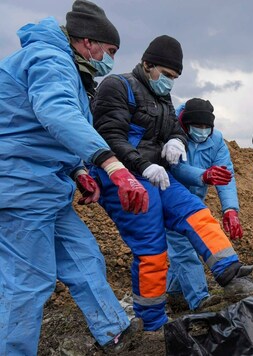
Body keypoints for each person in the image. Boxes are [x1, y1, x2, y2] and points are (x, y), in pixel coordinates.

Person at [0, 1, 148, 354]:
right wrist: (111, 165)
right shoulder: (50, 59)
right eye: (109, 51)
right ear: (88, 42)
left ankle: (113, 330)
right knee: (29, 281)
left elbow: (41, 130)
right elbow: (56, 113)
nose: (109, 59)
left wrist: (79, 170)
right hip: (19, 186)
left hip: (46, 186)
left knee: (83, 256)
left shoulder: (66, 67)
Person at [91, 35, 253, 332]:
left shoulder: (162, 98)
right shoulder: (116, 86)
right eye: (168, 75)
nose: (170, 82)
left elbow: (175, 128)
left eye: (175, 77)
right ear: (147, 65)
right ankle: (153, 323)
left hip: (157, 174)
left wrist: (175, 140)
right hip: (123, 176)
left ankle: (232, 276)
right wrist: (143, 165)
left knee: (197, 213)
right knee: (153, 250)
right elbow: (109, 136)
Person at [166, 98, 244, 311]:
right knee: (183, 249)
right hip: (171, 199)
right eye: (197, 127)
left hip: (194, 201)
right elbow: (174, 168)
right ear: (185, 123)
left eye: (206, 127)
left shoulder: (216, 140)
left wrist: (230, 209)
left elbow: (225, 175)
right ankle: (200, 300)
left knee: (185, 245)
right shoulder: (172, 134)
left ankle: (174, 293)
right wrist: (203, 176)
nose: (201, 131)